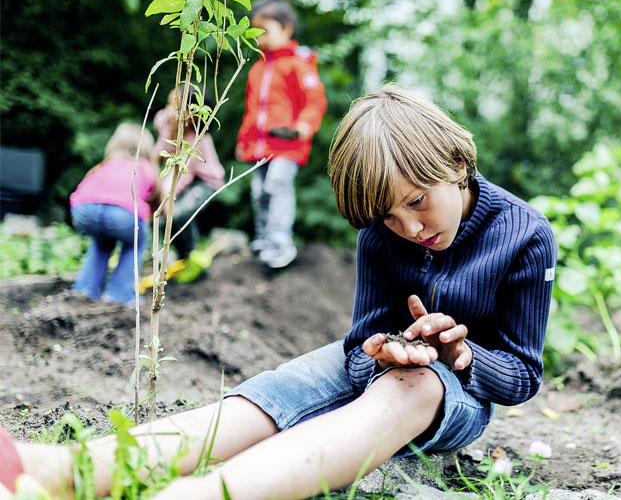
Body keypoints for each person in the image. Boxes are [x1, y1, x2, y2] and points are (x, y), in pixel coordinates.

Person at [2, 84, 556, 500]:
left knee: (412, 386)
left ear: (457, 164)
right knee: (272, 393)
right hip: (385, 364)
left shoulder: (525, 234)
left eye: (416, 202)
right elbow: (360, 344)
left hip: (457, 392)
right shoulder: (379, 235)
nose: (409, 229)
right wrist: (378, 353)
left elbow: (522, 374)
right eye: (388, 216)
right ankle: (54, 470)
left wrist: (461, 356)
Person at [235, 0, 327, 269]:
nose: (260, 37)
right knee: (259, 192)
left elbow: (314, 102)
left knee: (277, 185)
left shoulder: (299, 64)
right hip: (259, 147)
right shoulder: (256, 69)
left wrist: (302, 127)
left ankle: (279, 243)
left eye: (266, 31)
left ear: (286, 28)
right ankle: (263, 239)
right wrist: (244, 139)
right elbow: (252, 110)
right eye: (256, 32)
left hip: (287, 144)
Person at [68, 122, 162, 307]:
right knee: (136, 242)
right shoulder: (144, 167)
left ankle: (84, 290)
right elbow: (158, 200)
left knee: (102, 241)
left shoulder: (104, 165)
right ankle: (118, 294)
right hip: (123, 215)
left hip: (83, 210)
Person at [154, 85, 226, 259]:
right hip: (178, 175)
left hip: (205, 182)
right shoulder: (165, 121)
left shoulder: (196, 141)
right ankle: (172, 254)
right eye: (168, 105)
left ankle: (188, 254)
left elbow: (181, 176)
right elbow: (158, 153)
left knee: (176, 214)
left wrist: (163, 197)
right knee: (164, 217)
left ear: (194, 115)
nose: (170, 112)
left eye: (177, 108)